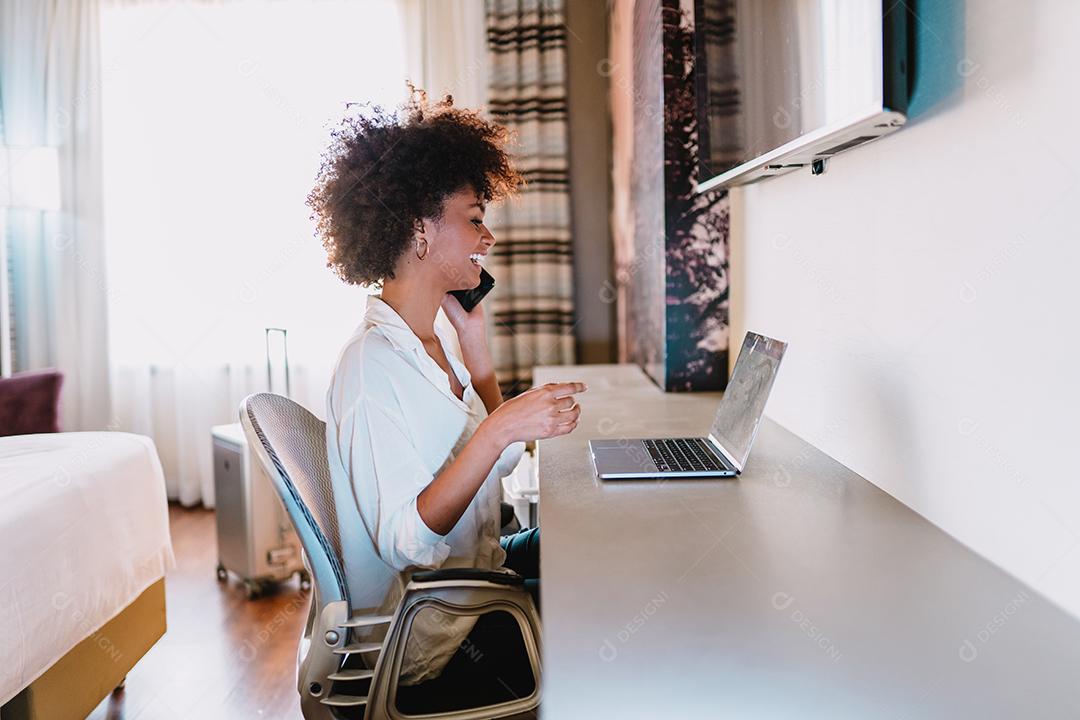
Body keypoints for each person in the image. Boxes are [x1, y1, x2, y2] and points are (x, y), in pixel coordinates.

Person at [309, 90, 586, 688]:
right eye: (475, 218)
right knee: (608, 608)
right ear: (419, 230)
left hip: (482, 568)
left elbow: (503, 459)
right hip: (440, 638)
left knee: (594, 537)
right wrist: (499, 426)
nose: (488, 240)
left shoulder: (435, 341)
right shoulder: (370, 368)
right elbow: (407, 540)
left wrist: (477, 350)